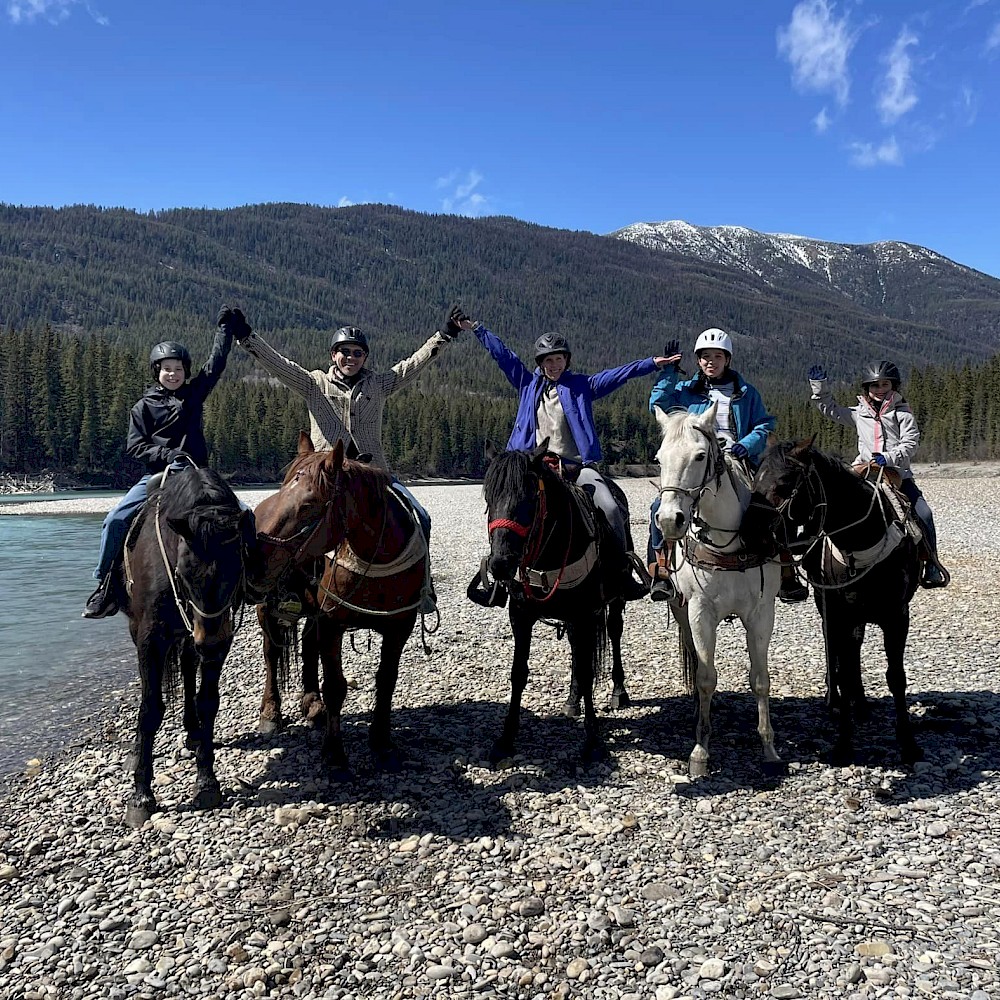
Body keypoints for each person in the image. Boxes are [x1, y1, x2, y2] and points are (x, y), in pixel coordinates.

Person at [223, 306, 463, 614]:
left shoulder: (380, 384)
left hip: (374, 477)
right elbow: (277, 365)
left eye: (357, 353)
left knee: (420, 516)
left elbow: (413, 364)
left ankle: (423, 588)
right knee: (292, 526)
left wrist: (445, 334)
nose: (350, 357)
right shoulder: (313, 383)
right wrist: (246, 335)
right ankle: (282, 591)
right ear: (332, 355)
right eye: (344, 352)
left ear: (365, 357)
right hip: (324, 480)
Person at [467, 313, 671, 601]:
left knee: (611, 508)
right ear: (540, 363)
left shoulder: (582, 386)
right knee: (506, 509)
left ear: (567, 360)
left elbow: (618, 374)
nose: (554, 365)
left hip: (575, 468)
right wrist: (478, 329)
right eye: (548, 360)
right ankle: (501, 581)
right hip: (533, 466)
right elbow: (503, 356)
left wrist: (651, 364)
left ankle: (622, 574)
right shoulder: (527, 384)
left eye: (559, 359)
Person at [83, 328, 237, 618]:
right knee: (115, 520)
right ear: (157, 372)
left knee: (243, 515)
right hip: (159, 475)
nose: (173, 374)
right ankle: (105, 585)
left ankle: (250, 580)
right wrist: (167, 455)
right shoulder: (143, 407)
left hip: (196, 474)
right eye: (167, 369)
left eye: (178, 369)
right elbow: (135, 446)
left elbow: (215, 365)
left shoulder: (194, 395)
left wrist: (224, 332)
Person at [648, 328, 809, 603]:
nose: (711, 361)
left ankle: (786, 573)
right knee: (659, 507)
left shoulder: (746, 393)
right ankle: (661, 571)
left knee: (772, 506)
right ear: (698, 361)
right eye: (705, 357)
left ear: (727, 359)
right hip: (699, 460)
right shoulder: (685, 391)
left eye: (717, 356)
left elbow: (764, 424)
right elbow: (657, 403)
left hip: (739, 457)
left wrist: (747, 444)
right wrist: (669, 373)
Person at [808, 359, 947, 588]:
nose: (880, 390)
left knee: (924, 513)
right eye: (875, 385)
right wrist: (819, 386)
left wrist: (889, 457)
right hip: (862, 472)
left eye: (885, 384)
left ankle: (931, 563)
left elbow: (910, 443)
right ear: (867, 388)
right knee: (827, 506)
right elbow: (829, 408)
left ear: (893, 385)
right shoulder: (858, 413)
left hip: (896, 475)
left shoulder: (903, 414)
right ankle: (813, 562)